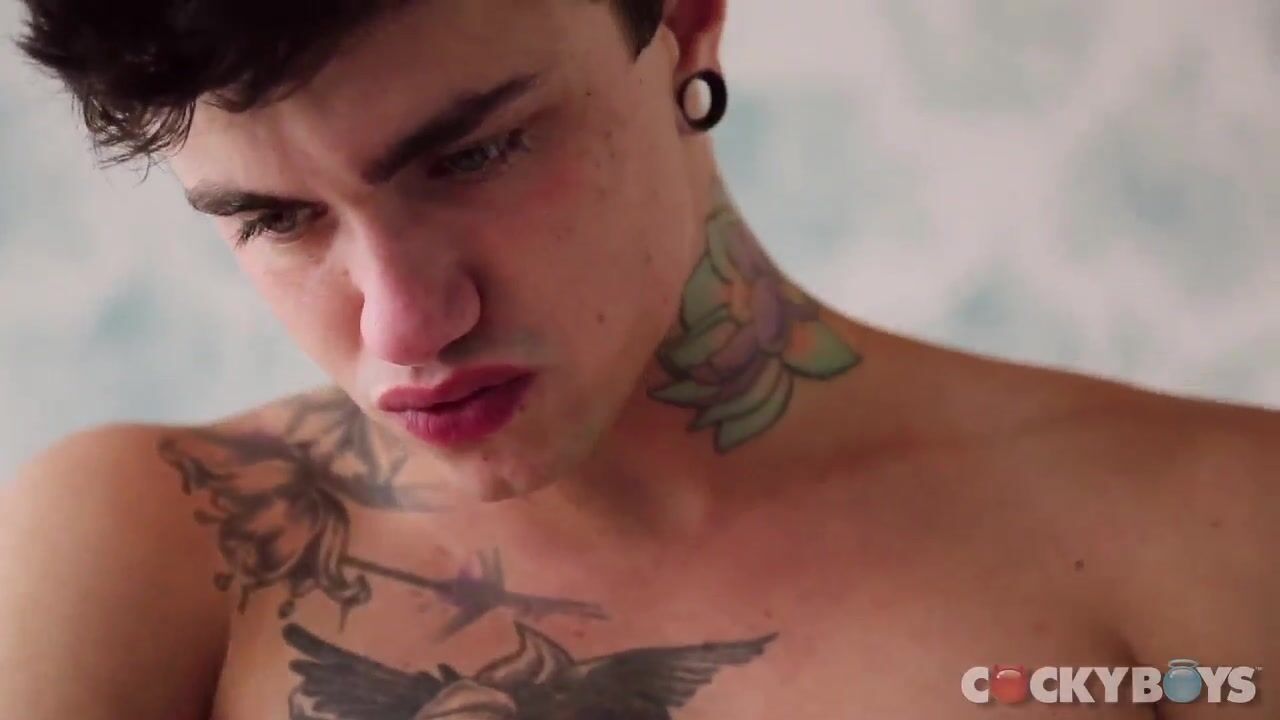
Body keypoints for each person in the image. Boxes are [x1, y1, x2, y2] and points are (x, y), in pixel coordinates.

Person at [2, 0, 1276, 717]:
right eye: (276, 220)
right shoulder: (157, 550)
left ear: (683, 25)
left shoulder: (1217, 532)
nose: (404, 329)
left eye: (473, 154)